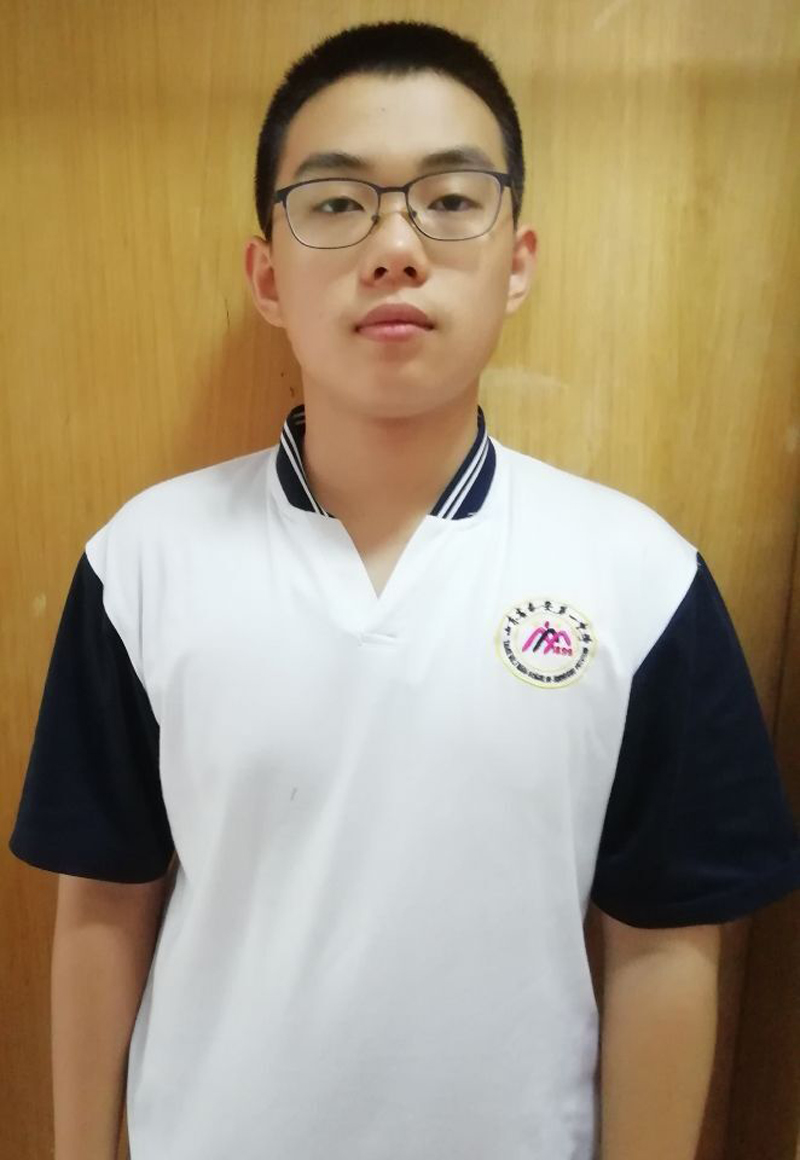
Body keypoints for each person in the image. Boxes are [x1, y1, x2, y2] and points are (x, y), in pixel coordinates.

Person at [8, 19, 799, 1160]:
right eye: (336, 202)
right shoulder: (142, 564)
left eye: (449, 199)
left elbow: (665, 943)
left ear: (517, 261)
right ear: (266, 276)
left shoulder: (640, 579)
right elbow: (103, 900)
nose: (394, 247)